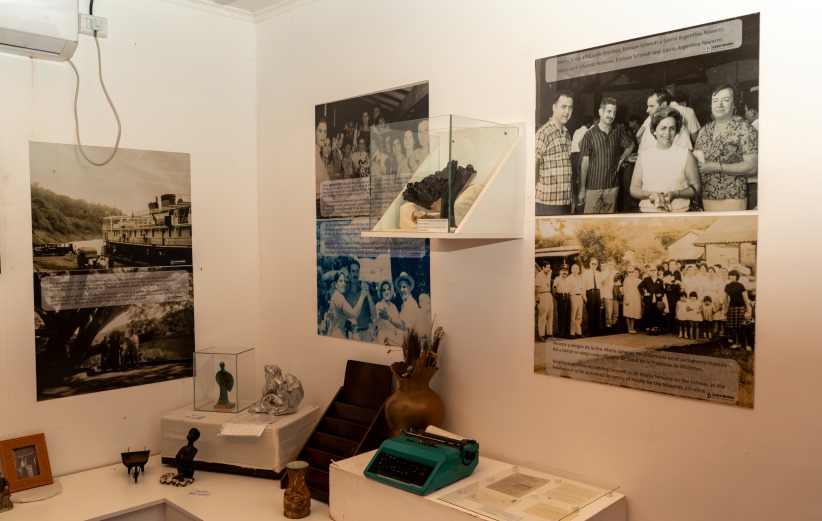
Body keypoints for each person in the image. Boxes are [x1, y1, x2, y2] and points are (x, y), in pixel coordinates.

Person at [694, 83, 758, 211]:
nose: (719, 105)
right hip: (706, 197)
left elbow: (753, 167)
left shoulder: (744, 129)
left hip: (732, 197)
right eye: (715, 101)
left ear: (734, 104)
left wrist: (716, 167)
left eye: (726, 100)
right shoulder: (705, 130)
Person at [630, 107, 701, 212]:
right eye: (663, 128)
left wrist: (676, 194)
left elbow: (696, 188)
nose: (667, 132)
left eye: (672, 128)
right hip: (648, 213)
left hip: (679, 213)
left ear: (676, 131)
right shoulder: (644, 156)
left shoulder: (685, 154)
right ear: (654, 130)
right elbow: (634, 189)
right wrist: (650, 194)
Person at [578, 97, 635, 213]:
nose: (611, 115)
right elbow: (584, 163)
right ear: (601, 112)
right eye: (609, 111)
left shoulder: (618, 130)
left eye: (614, 112)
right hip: (593, 187)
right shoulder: (589, 135)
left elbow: (631, 145)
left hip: (612, 187)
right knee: (591, 222)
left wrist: (621, 159)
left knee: (610, 222)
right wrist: (582, 189)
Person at [535, 90, 574, 215]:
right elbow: (533, 165)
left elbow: (568, 169)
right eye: (563, 107)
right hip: (547, 203)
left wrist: (571, 198)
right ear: (554, 107)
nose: (567, 111)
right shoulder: (544, 132)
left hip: (565, 203)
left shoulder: (567, 134)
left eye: (570, 107)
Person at [327, 272, 371, 339]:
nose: (344, 284)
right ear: (335, 284)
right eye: (340, 281)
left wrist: (347, 322)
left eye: (344, 281)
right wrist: (362, 296)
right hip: (338, 334)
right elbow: (353, 314)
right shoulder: (338, 297)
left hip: (338, 333)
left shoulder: (337, 295)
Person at [344, 259, 376, 341]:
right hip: (351, 334)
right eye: (353, 271)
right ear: (349, 273)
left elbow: (374, 315)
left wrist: (368, 295)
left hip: (365, 333)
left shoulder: (364, 291)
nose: (355, 274)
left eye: (357, 271)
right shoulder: (344, 295)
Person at [724, 269, 752, 350]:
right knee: (735, 327)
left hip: (741, 308)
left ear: (737, 276)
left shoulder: (741, 286)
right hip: (732, 308)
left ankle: (747, 345)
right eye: (730, 275)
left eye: (733, 275)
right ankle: (737, 343)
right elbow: (725, 299)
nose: (731, 277)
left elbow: (745, 299)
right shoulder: (727, 286)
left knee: (743, 327)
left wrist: (748, 311)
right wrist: (725, 310)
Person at [638, 264, 665, 334]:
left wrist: (661, 294)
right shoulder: (646, 279)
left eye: (654, 270)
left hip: (657, 300)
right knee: (648, 313)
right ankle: (649, 328)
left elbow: (663, 291)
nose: (653, 271)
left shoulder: (660, 281)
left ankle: (656, 328)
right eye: (651, 270)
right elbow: (639, 286)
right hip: (648, 300)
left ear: (657, 271)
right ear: (649, 272)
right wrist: (644, 293)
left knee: (657, 313)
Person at [375, 279, 403, 345]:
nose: (386, 292)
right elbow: (376, 321)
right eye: (384, 290)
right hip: (383, 337)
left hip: (393, 337)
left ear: (390, 291)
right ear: (381, 293)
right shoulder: (379, 305)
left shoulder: (393, 306)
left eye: (388, 289)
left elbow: (398, 322)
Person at [744, 89, 759, 210]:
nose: (745, 115)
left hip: (753, 182)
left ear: (752, 112)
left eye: (745, 111)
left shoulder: (750, 130)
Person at [580, 258, 603, 336]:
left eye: (595, 264)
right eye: (592, 263)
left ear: (597, 265)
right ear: (590, 264)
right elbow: (583, 286)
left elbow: (600, 286)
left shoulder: (599, 273)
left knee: (597, 313)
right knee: (591, 313)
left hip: (597, 293)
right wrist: (584, 296)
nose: (594, 265)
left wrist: (601, 296)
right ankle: (591, 332)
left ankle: (596, 332)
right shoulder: (585, 274)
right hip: (590, 293)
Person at [535, 264, 554, 341]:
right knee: (542, 315)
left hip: (549, 294)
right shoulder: (539, 275)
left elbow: (550, 272)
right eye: (547, 267)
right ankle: (541, 335)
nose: (549, 269)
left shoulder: (548, 274)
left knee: (550, 314)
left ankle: (549, 334)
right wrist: (536, 297)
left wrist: (549, 272)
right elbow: (536, 287)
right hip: (542, 294)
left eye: (549, 267)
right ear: (543, 267)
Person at [315, 117, 330, 215]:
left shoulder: (318, 152)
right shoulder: (312, 153)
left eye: (325, 132)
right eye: (320, 131)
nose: (323, 136)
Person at [553, 264, 571, 339]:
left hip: (567, 296)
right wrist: (557, 298)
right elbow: (554, 289)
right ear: (560, 271)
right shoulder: (557, 279)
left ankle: (567, 334)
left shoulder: (568, 279)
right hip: (561, 296)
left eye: (566, 271)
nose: (565, 272)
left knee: (567, 315)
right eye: (563, 270)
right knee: (561, 315)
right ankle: (560, 334)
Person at [568, 263, 584, 338]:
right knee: (573, 315)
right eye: (573, 269)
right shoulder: (569, 278)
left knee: (579, 315)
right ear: (571, 270)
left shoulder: (579, 278)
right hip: (573, 296)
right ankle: (572, 333)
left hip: (579, 297)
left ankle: (578, 332)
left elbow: (581, 288)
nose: (575, 270)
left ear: (578, 270)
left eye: (576, 269)